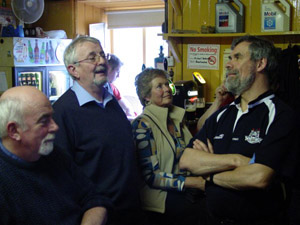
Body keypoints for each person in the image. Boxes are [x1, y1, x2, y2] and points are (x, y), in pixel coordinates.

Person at [179, 35, 298, 225]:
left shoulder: (280, 115)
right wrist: (236, 161)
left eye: (237, 57)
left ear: (260, 64)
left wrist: (208, 174)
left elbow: (258, 177)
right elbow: (186, 160)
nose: (228, 64)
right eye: (229, 58)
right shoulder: (222, 115)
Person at [52, 36, 142, 225]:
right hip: (99, 216)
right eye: (92, 57)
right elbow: (62, 178)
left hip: (132, 211)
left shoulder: (111, 102)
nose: (101, 61)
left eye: (102, 55)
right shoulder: (62, 112)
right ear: (73, 70)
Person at [0, 86, 111, 225]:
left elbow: (95, 198)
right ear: (14, 131)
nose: (55, 127)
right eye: (44, 121)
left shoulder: (55, 155)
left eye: (51, 117)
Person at [132, 68, 207, 225]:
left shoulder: (175, 119)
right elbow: (152, 177)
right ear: (146, 96)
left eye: (167, 84)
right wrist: (196, 182)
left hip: (184, 190)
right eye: (159, 86)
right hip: (159, 197)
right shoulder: (142, 125)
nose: (167, 89)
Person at [106, 54, 137, 119]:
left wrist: (129, 111)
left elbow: (125, 103)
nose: (118, 75)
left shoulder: (111, 87)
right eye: (117, 71)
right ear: (108, 68)